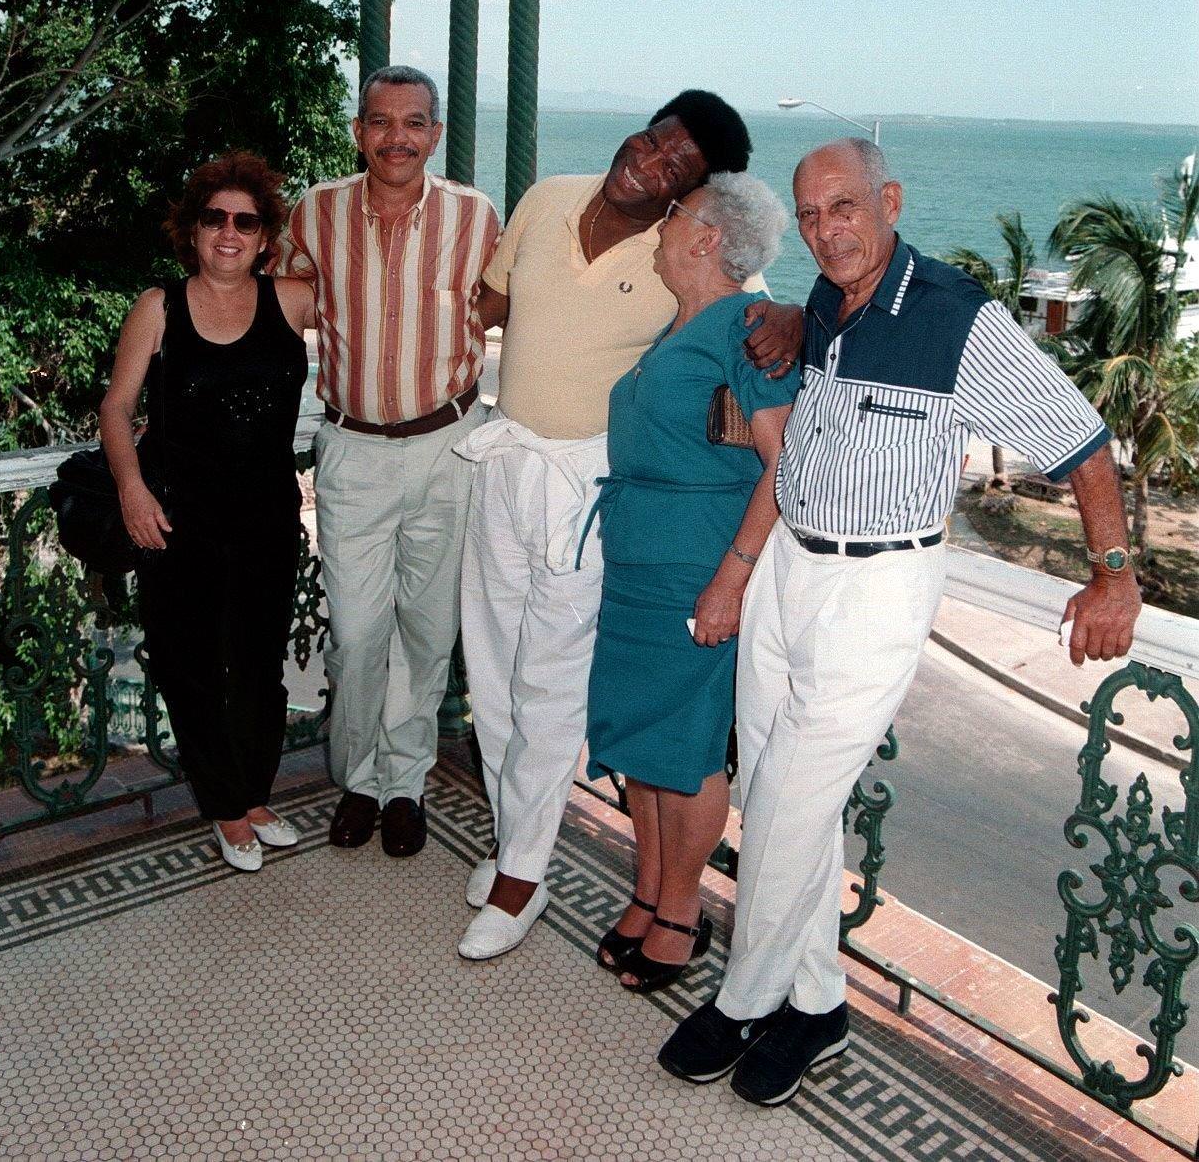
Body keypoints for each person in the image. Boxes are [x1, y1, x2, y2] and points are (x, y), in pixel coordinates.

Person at [658, 138, 1142, 1104]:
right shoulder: (829, 300)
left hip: (876, 588)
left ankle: (745, 1000)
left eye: (843, 207)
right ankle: (816, 1002)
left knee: (786, 804)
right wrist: (793, 317)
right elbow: (818, 379)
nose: (825, 230)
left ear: (889, 200)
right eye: (808, 215)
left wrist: (1113, 576)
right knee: (779, 789)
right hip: (789, 565)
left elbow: (1081, 441)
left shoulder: (957, 316)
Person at [454, 90, 805, 962]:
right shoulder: (545, 198)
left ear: (692, 201)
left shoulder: (694, 260)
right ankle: (511, 832)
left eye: (677, 169)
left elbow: (759, 312)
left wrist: (800, 315)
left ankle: (523, 873)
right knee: (491, 672)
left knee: (550, 683)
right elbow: (490, 304)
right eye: (654, 141)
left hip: (588, 488)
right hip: (505, 459)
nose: (650, 164)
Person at [273, 66, 499, 859]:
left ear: (434, 134)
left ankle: (401, 783)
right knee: (358, 631)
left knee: (428, 630)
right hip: (353, 448)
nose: (395, 137)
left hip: (446, 444)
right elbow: (274, 291)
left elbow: (505, 301)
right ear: (358, 131)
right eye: (379, 121)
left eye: (412, 122)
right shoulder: (316, 210)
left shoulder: (476, 216)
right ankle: (357, 775)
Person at [586, 173, 798, 994]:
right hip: (637, 567)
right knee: (643, 742)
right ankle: (646, 892)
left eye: (675, 214)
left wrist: (729, 582)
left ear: (706, 237)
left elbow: (783, 464)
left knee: (685, 747)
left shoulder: (745, 327)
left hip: (695, 569)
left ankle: (680, 909)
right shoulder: (679, 326)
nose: (662, 224)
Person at [100, 151, 314, 872]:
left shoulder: (292, 301)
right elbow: (116, 408)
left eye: (245, 222)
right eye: (214, 218)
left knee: (258, 665)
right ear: (192, 231)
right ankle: (226, 807)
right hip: (178, 521)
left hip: (266, 518)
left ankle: (252, 795)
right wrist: (132, 489)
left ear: (264, 237)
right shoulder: (158, 306)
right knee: (190, 666)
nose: (228, 232)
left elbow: (379, 296)